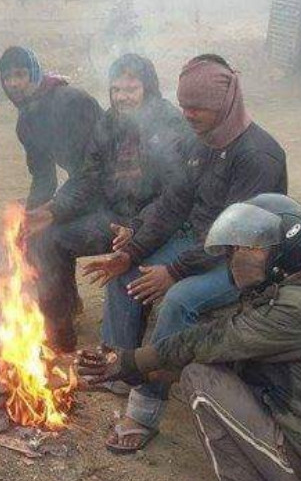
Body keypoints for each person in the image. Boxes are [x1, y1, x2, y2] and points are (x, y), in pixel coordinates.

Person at [78, 194, 301, 481]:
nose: (235, 256)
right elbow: (233, 360)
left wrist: (131, 361)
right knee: (207, 369)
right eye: (236, 247)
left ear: (284, 252)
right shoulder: (290, 288)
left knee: (200, 379)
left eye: (249, 248)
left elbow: (208, 341)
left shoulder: (296, 309)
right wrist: (143, 374)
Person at [82, 54, 289, 453]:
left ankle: (145, 408)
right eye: (184, 105)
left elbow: (234, 236)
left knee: (179, 300)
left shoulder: (258, 156)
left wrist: (174, 271)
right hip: (198, 243)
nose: (188, 114)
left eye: (197, 108)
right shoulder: (200, 142)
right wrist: (132, 251)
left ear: (224, 104)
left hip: (245, 259)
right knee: (125, 274)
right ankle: (118, 368)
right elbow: (173, 203)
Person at [27, 53, 191, 352]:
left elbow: (174, 196)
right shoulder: (108, 122)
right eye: (116, 90)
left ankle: (124, 352)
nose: (122, 97)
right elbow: (87, 178)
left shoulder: (170, 124)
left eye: (131, 89)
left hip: (157, 224)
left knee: (127, 269)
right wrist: (54, 209)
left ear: (148, 88)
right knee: (48, 239)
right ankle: (60, 336)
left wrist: (137, 228)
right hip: (115, 219)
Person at [0, 46, 104, 211]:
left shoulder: (70, 102)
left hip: (120, 181)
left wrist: (56, 208)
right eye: (7, 77)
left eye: (20, 74)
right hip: (86, 184)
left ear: (34, 74)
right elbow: (43, 177)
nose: (13, 84)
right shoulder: (26, 124)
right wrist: (32, 214)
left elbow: (94, 166)